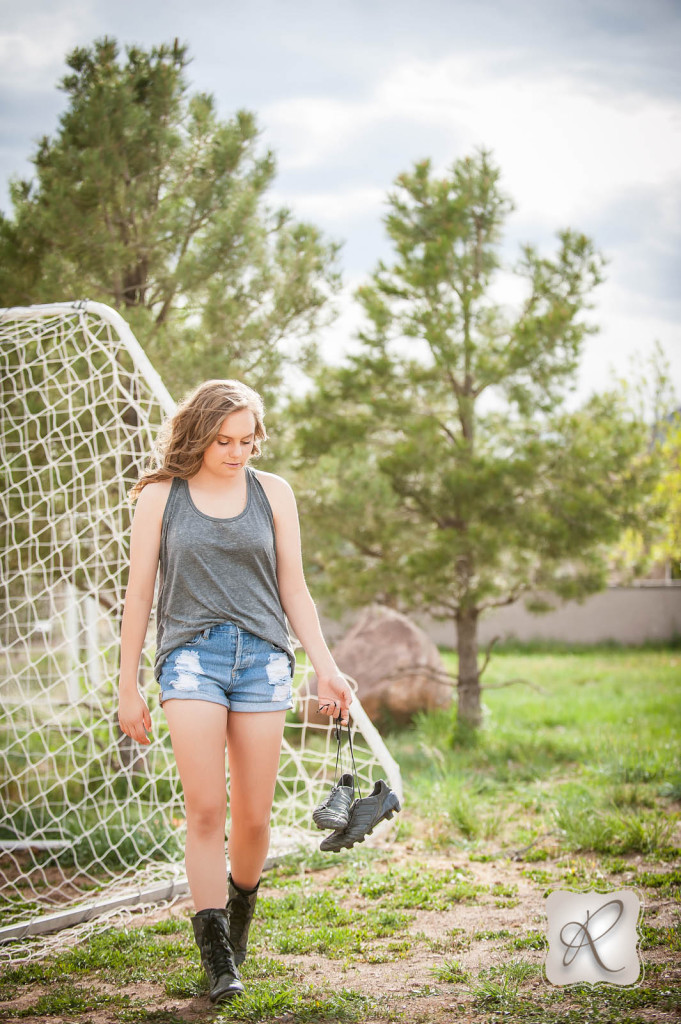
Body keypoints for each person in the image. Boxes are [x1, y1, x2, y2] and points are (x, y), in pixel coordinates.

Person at [117, 378, 353, 1004]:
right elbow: (139, 595)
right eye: (225, 440)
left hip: (265, 663)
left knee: (252, 818)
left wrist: (326, 667)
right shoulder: (160, 498)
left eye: (248, 440)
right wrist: (128, 685)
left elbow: (294, 589)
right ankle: (217, 952)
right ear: (198, 433)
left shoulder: (272, 493)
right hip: (190, 660)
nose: (238, 451)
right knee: (205, 810)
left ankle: (240, 909)